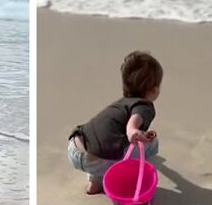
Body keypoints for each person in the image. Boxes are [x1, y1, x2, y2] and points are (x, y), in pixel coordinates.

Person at [67, 51, 162, 195]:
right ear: (154, 89)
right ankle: (138, 180)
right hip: (95, 160)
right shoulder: (145, 106)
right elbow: (132, 124)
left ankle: (96, 182)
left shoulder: (121, 104)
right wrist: (133, 131)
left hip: (75, 148)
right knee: (152, 143)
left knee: (106, 143)